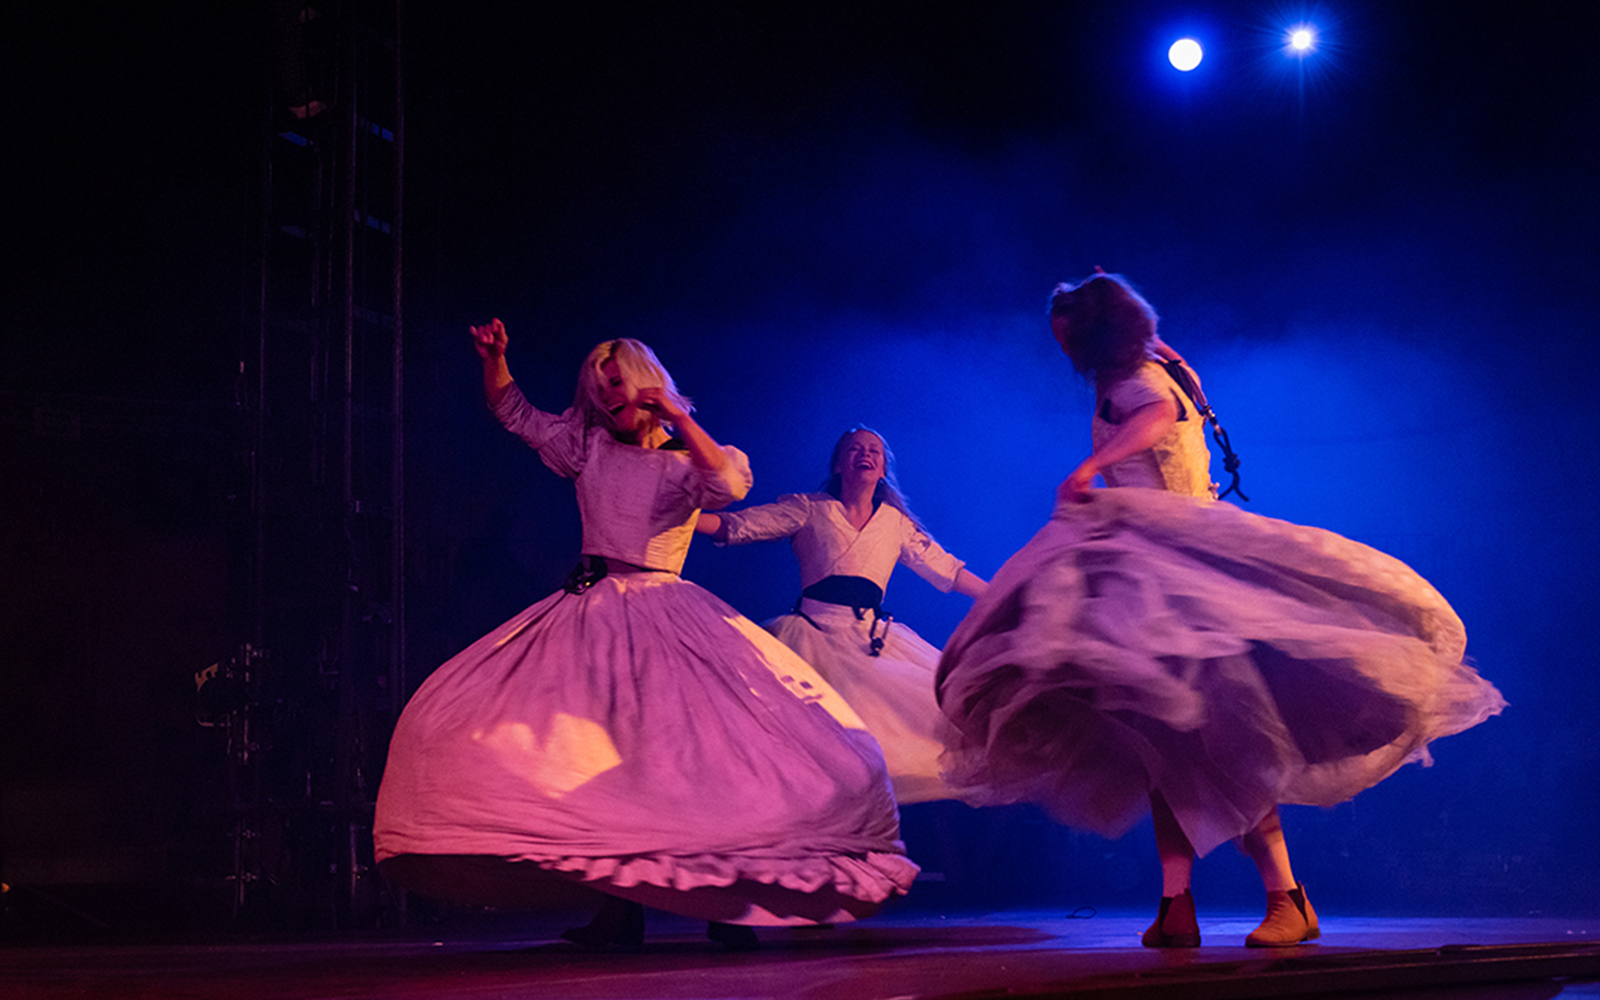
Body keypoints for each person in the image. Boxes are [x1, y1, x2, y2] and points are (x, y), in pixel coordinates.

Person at [935, 273, 1505, 948]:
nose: (1063, 352)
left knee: (1224, 742)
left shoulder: (1133, 387)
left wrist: (1092, 469)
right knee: (1159, 744)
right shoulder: (1161, 367)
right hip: (1154, 569)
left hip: (1170, 573)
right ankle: (1178, 905)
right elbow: (1170, 386)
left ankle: (1287, 897)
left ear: (1095, 335)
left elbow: (1154, 420)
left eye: (1069, 337)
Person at [374, 319, 917, 951]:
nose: (608, 399)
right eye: (600, 389)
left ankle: (731, 903)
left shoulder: (687, 461)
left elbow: (730, 484)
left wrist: (677, 417)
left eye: (619, 386)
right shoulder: (587, 446)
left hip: (667, 612)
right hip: (592, 610)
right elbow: (515, 414)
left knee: (702, 760)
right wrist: (496, 360)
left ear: (646, 385)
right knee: (602, 762)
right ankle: (618, 910)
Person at [697, 427, 988, 805]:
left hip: (869, 638)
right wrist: (683, 518)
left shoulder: (895, 523)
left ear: (883, 469)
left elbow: (945, 570)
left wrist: (997, 593)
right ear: (838, 463)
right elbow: (740, 525)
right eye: (854, 449)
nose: (864, 455)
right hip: (810, 636)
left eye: (874, 451)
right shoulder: (808, 507)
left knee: (917, 719)